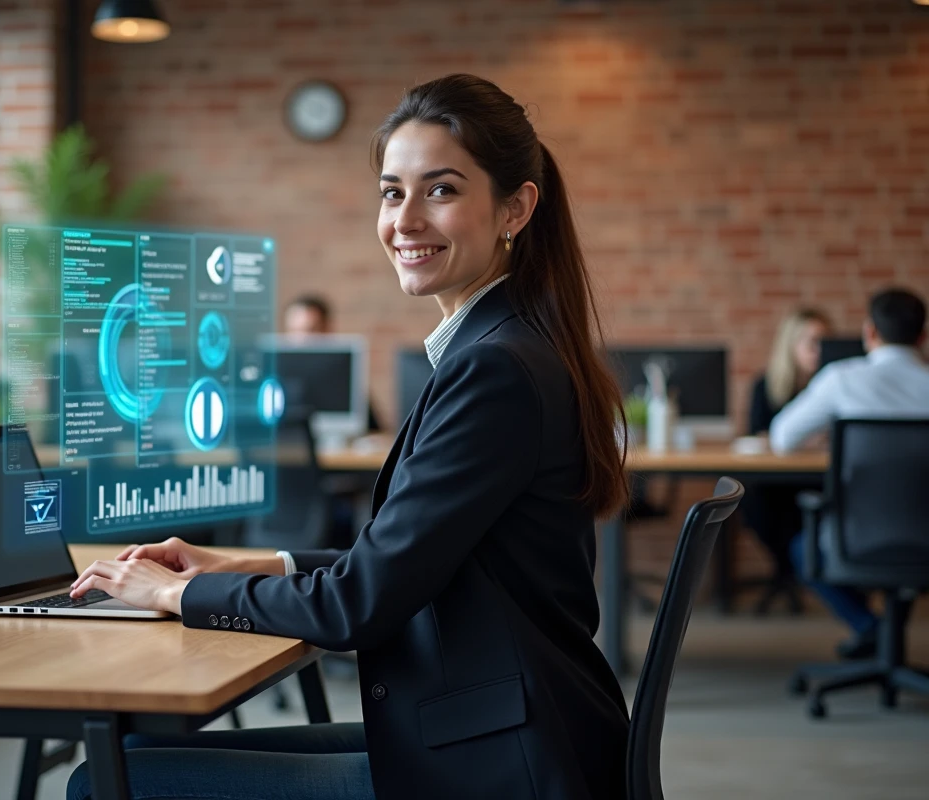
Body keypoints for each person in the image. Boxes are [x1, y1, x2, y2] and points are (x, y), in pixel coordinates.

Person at [65, 74, 631, 800]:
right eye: (393, 192)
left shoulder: (495, 369)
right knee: (137, 750)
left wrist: (182, 593)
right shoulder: (509, 345)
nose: (406, 220)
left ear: (515, 208)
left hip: (496, 763)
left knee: (104, 782)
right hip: (500, 724)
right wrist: (245, 562)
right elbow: (404, 558)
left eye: (442, 190)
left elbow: (362, 603)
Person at [774, 288, 929, 658]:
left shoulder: (842, 379)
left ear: (869, 332)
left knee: (801, 548)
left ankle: (870, 626)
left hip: (857, 537)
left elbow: (782, 438)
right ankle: (887, 637)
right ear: (923, 337)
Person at [741, 308, 832, 614]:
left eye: (825, 343)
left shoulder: (833, 386)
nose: (819, 351)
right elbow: (759, 436)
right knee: (749, 497)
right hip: (775, 482)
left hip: (818, 479)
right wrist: (809, 441)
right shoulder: (765, 386)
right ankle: (790, 567)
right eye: (812, 342)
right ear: (790, 344)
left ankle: (793, 567)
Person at [283, 293, 384, 433]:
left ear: (327, 330)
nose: (303, 340)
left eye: (311, 330)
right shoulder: (275, 379)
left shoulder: (345, 379)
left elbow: (375, 433)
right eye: (295, 331)